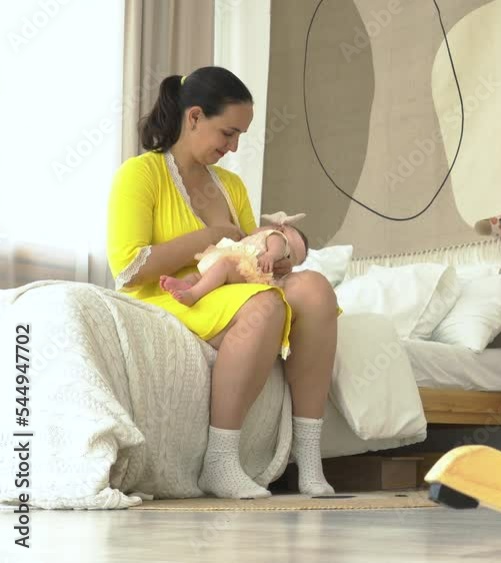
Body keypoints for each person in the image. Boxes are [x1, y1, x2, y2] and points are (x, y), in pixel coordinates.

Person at [106, 67, 339, 499]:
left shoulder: (230, 185)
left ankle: (309, 459)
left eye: (239, 137)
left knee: (315, 289)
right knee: (265, 306)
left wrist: (276, 254)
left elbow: (246, 256)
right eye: (228, 133)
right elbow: (130, 268)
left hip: (227, 289)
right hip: (170, 295)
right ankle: (220, 462)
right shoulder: (140, 174)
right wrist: (211, 236)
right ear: (194, 117)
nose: (233, 148)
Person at [160, 219, 309, 314]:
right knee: (201, 275)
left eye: (291, 257)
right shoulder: (264, 234)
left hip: (250, 269)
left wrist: (271, 255)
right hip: (235, 261)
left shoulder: (278, 239)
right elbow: (254, 232)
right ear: (280, 227)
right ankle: (186, 284)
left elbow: (278, 246)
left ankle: (193, 294)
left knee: (225, 266)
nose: (287, 256)